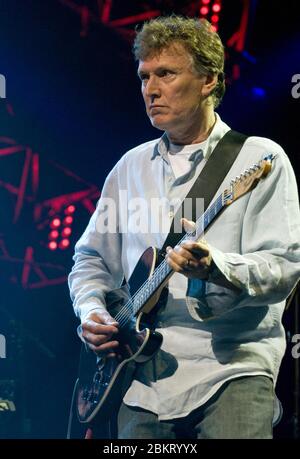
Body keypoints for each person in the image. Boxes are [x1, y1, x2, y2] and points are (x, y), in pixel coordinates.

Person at [68, 16, 300, 439]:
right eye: (144, 77)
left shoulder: (258, 158)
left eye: (166, 74)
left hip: (232, 369)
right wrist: (93, 313)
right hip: (138, 380)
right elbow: (89, 259)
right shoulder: (129, 168)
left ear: (209, 79)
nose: (150, 89)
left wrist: (216, 268)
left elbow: (284, 267)